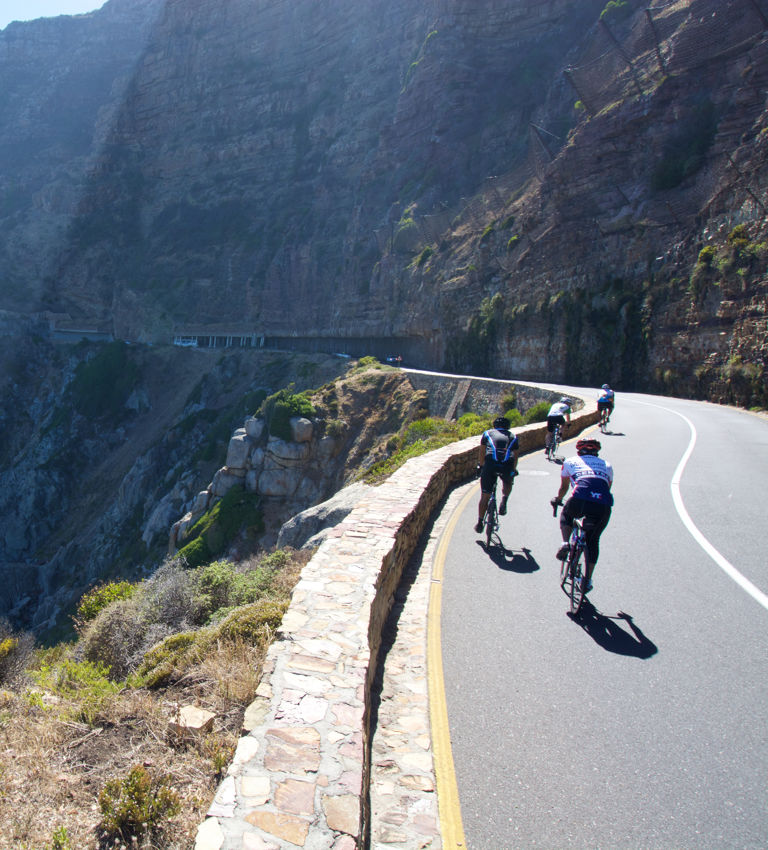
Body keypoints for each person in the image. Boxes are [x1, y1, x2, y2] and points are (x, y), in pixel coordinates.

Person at [551, 437, 613, 592]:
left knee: (567, 515)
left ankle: (566, 543)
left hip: (580, 498)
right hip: (603, 504)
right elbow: (607, 487)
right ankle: (587, 579)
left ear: (579, 451)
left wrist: (557, 499)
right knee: (593, 541)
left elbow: (564, 487)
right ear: (597, 452)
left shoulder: (570, 462)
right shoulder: (607, 465)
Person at [475, 416, 519, 533]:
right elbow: (515, 456)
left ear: (495, 426)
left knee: (485, 496)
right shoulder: (513, 436)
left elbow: (482, 451)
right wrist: (513, 470)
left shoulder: (487, 433)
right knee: (508, 481)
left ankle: (480, 522)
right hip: (506, 465)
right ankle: (504, 500)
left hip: (490, 465)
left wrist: (481, 466)